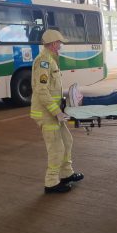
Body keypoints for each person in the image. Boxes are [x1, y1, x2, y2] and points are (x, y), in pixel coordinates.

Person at [30, 29, 84, 194]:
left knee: (67, 141)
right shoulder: (44, 61)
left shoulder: (52, 59)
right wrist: (57, 112)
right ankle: (51, 182)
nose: (61, 45)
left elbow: (52, 89)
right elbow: (42, 90)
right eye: (59, 42)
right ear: (53, 44)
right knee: (56, 148)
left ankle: (66, 173)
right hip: (47, 114)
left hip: (53, 113)